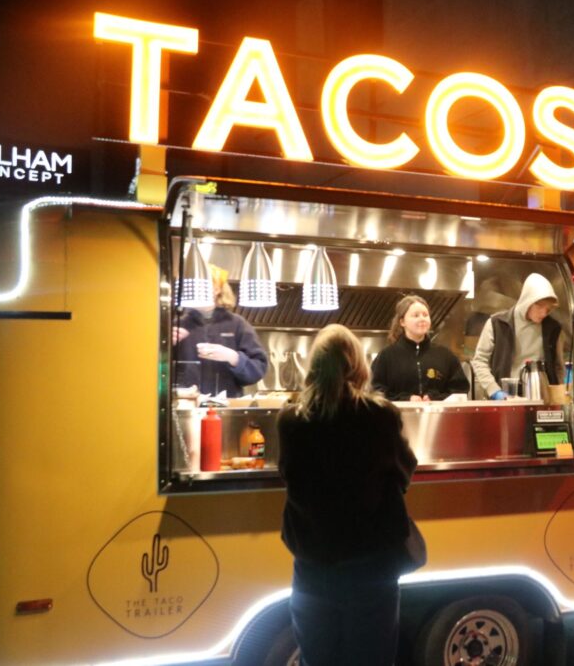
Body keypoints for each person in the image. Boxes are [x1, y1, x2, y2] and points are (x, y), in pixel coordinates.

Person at [278, 324, 418, 666]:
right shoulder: (379, 415)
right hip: (371, 568)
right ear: (357, 365)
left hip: (311, 568)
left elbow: (289, 476)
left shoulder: (291, 419)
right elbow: (404, 472)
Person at [174, 266, 268, 397]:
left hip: (226, 409)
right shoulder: (177, 325)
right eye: (188, 285)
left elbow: (258, 369)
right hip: (185, 405)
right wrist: (165, 347)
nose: (191, 289)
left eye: (200, 284)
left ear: (217, 288)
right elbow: (154, 372)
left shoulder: (237, 324)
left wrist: (234, 357)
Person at [472, 272, 565, 400]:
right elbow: (479, 360)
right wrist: (494, 391)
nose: (544, 313)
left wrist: (558, 397)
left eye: (548, 309)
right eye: (540, 307)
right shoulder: (497, 324)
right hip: (505, 397)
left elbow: (558, 366)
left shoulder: (553, 328)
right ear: (527, 301)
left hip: (541, 396)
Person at [371, 294, 470, 401]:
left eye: (425, 315)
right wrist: (406, 399)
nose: (422, 319)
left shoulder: (445, 355)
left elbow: (460, 391)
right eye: (416, 315)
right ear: (402, 322)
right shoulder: (386, 356)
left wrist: (435, 398)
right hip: (396, 416)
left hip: (439, 416)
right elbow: (374, 391)